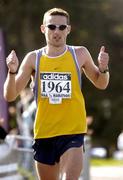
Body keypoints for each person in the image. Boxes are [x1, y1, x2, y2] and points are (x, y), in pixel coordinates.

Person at [4, 8, 109, 180]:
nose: (57, 32)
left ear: (68, 29)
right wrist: (12, 72)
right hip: (45, 132)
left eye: (62, 27)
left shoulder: (80, 54)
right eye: (52, 27)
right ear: (43, 29)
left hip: (73, 132)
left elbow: (101, 83)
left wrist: (104, 68)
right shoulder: (33, 59)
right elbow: (10, 95)